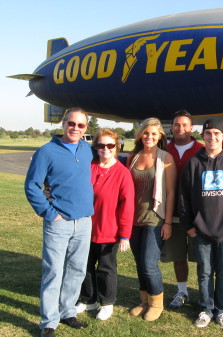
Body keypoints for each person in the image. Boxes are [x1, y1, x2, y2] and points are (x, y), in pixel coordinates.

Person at [24, 108, 94, 337]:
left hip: (84, 221)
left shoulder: (87, 150)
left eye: (81, 125)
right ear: (63, 123)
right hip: (59, 222)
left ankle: (67, 311)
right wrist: (49, 213)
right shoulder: (46, 152)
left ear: (86, 128)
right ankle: (48, 322)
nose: (75, 128)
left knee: (77, 270)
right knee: (53, 271)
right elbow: (32, 186)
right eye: (71, 123)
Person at [179, 119, 223, 330]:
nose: (212, 137)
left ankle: (222, 310)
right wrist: (189, 226)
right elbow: (183, 197)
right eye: (208, 133)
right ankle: (206, 309)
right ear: (203, 135)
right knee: (204, 272)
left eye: (217, 133)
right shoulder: (194, 163)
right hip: (200, 231)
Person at [75, 128, 135, 321]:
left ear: (116, 147)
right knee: (85, 266)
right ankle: (88, 299)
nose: (105, 149)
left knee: (106, 269)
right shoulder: (89, 167)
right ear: (96, 147)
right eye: (101, 145)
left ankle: (107, 303)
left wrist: (125, 235)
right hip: (85, 228)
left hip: (109, 230)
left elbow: (127, 206)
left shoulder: (122, 173)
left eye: (110, 145)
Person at [126, 118, 177, 322]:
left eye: (154, 134)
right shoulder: (132, 157)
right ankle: (145, 301)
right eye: (146, 133)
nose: (149, 137)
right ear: (140, 135)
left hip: (155, 219)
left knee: (149, 264)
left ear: (160, 137)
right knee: (139, 263)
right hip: (133, 219)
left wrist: (168, 222)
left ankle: (157, 303)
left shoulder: (166, 158)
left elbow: (171, 193)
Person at [160, 110, 204, 310]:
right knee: (178, 255)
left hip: (198, 216)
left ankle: (204, 292)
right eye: (177, 125)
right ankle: (182, 291)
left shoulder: (201, 150)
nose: (180, 128)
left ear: (191, 127)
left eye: (184, 125)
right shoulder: (163, 150)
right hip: (173, 213)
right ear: (172, 127)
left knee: (203, 257)